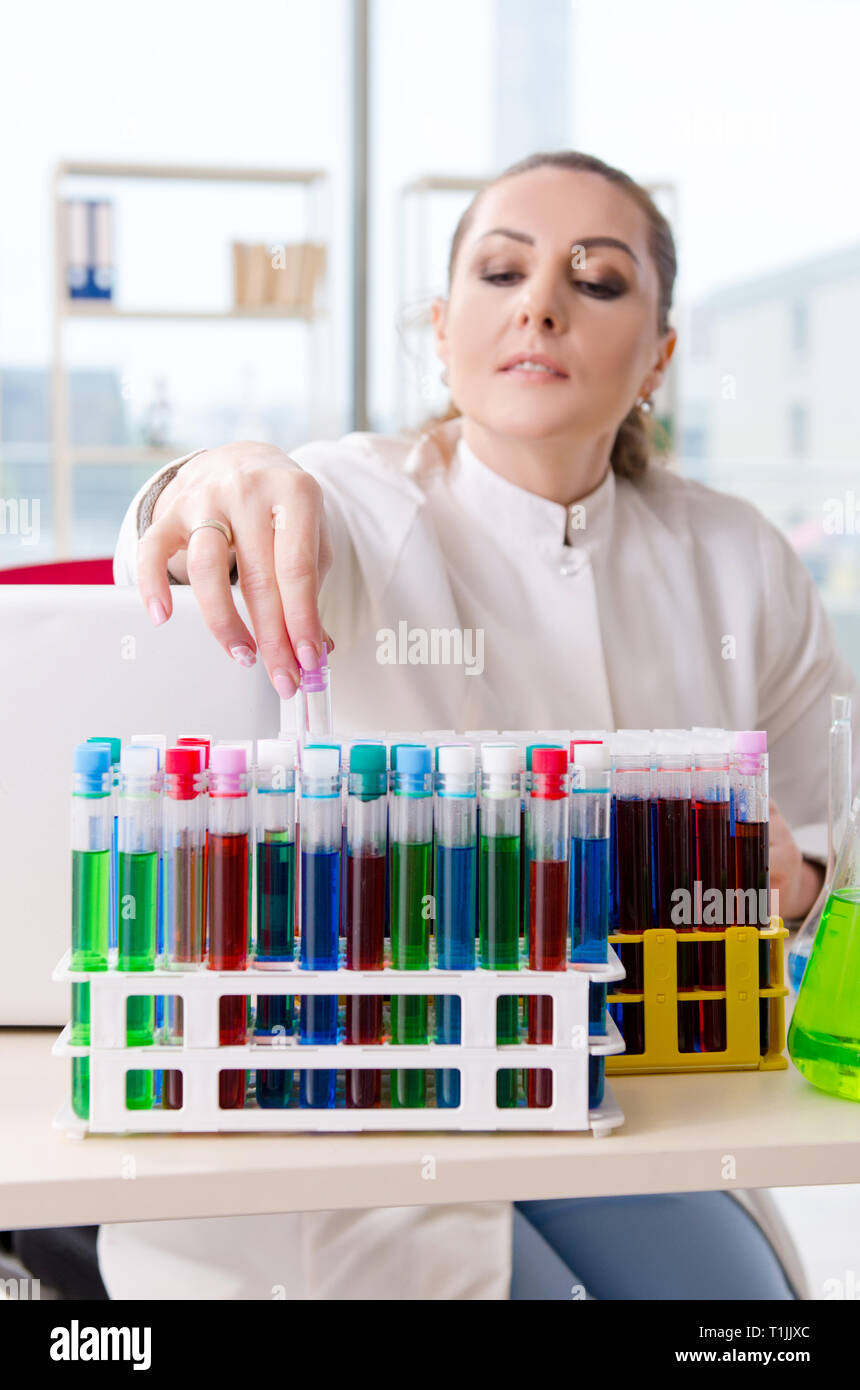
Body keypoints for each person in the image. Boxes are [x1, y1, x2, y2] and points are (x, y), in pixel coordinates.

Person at [105, 150, 859, 1300]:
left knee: (742, 1323)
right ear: (442, 327)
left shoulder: (738, 558)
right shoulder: (345, 500)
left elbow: (825, 841)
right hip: (387, 1093)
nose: (539, 303)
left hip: (639, 1077)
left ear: (657, 354)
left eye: (595, 280)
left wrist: (790, 879)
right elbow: (211, 510)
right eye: (499, 271)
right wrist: (207, 479)